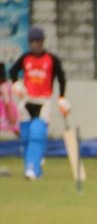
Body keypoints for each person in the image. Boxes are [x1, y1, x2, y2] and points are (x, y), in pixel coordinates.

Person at [9, 25, 68, 180]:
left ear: (43, 42)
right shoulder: (25, 58)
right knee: (26, 136)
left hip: (44, 101)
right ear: (30, 42)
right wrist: (16, 84)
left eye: (39, 41)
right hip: (27, 100)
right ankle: (35, 168)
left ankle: (31, 168)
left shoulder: (51, 59)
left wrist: (62, 97)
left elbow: (61, 77)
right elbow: (12, 72)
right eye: (33, 41)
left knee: (37, 133)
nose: (36, 44)